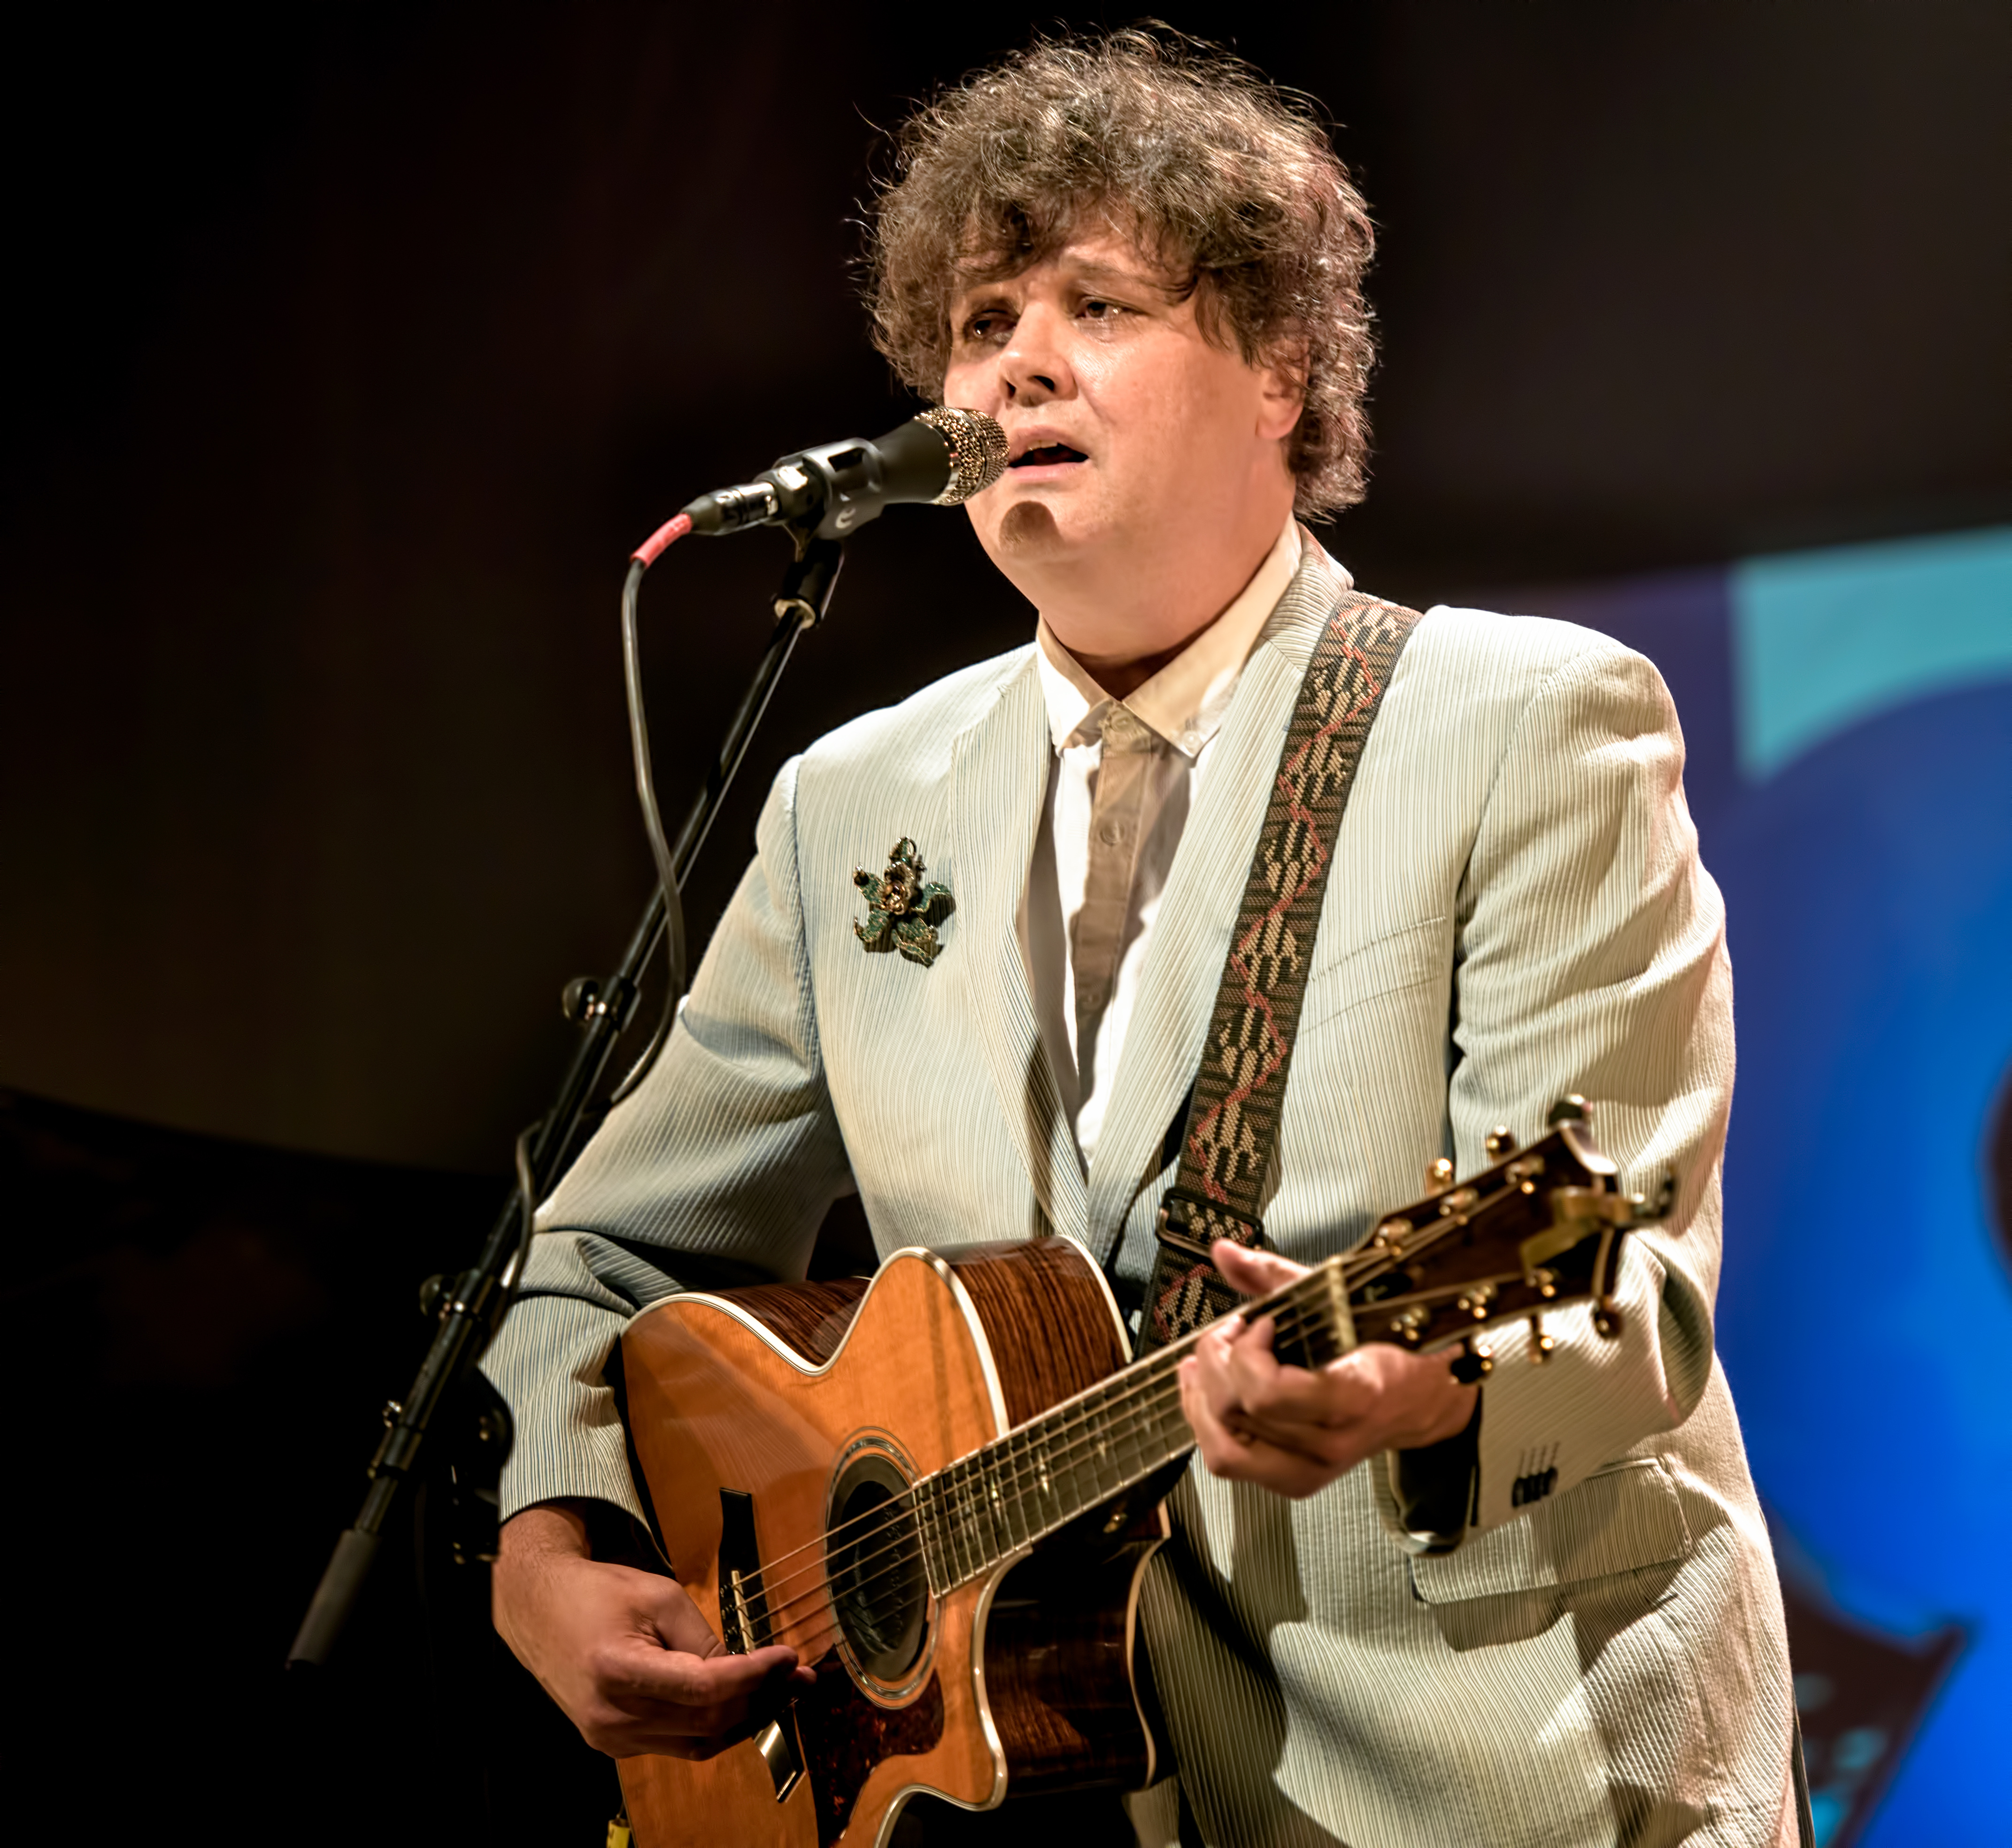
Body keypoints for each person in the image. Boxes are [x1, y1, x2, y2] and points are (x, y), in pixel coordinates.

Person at [484, 28, 1800, 1847]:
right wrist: (548, 1541)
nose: (1014, 360)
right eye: (976, 323)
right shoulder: (848, 805)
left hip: (1499, 1780)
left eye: (1095, 303)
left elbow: (1623, 1289)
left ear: (1277, 367)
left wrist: (1406, 1388)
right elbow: (603, 1251)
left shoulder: (1526, 722)